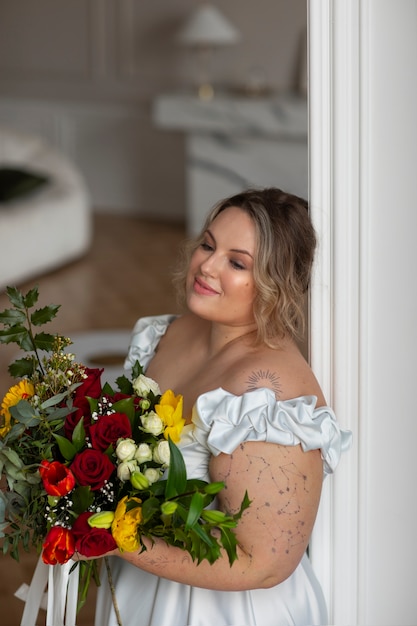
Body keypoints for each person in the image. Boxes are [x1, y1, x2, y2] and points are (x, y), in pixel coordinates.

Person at [94, 187, 352, 626]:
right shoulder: (166, 334)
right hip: (139, 588)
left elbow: (264, 563)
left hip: (225, 611)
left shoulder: (270, 397)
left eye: (237, 262)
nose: (207, 266)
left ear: (276, 284)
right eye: (208, 245)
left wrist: (109, 537)